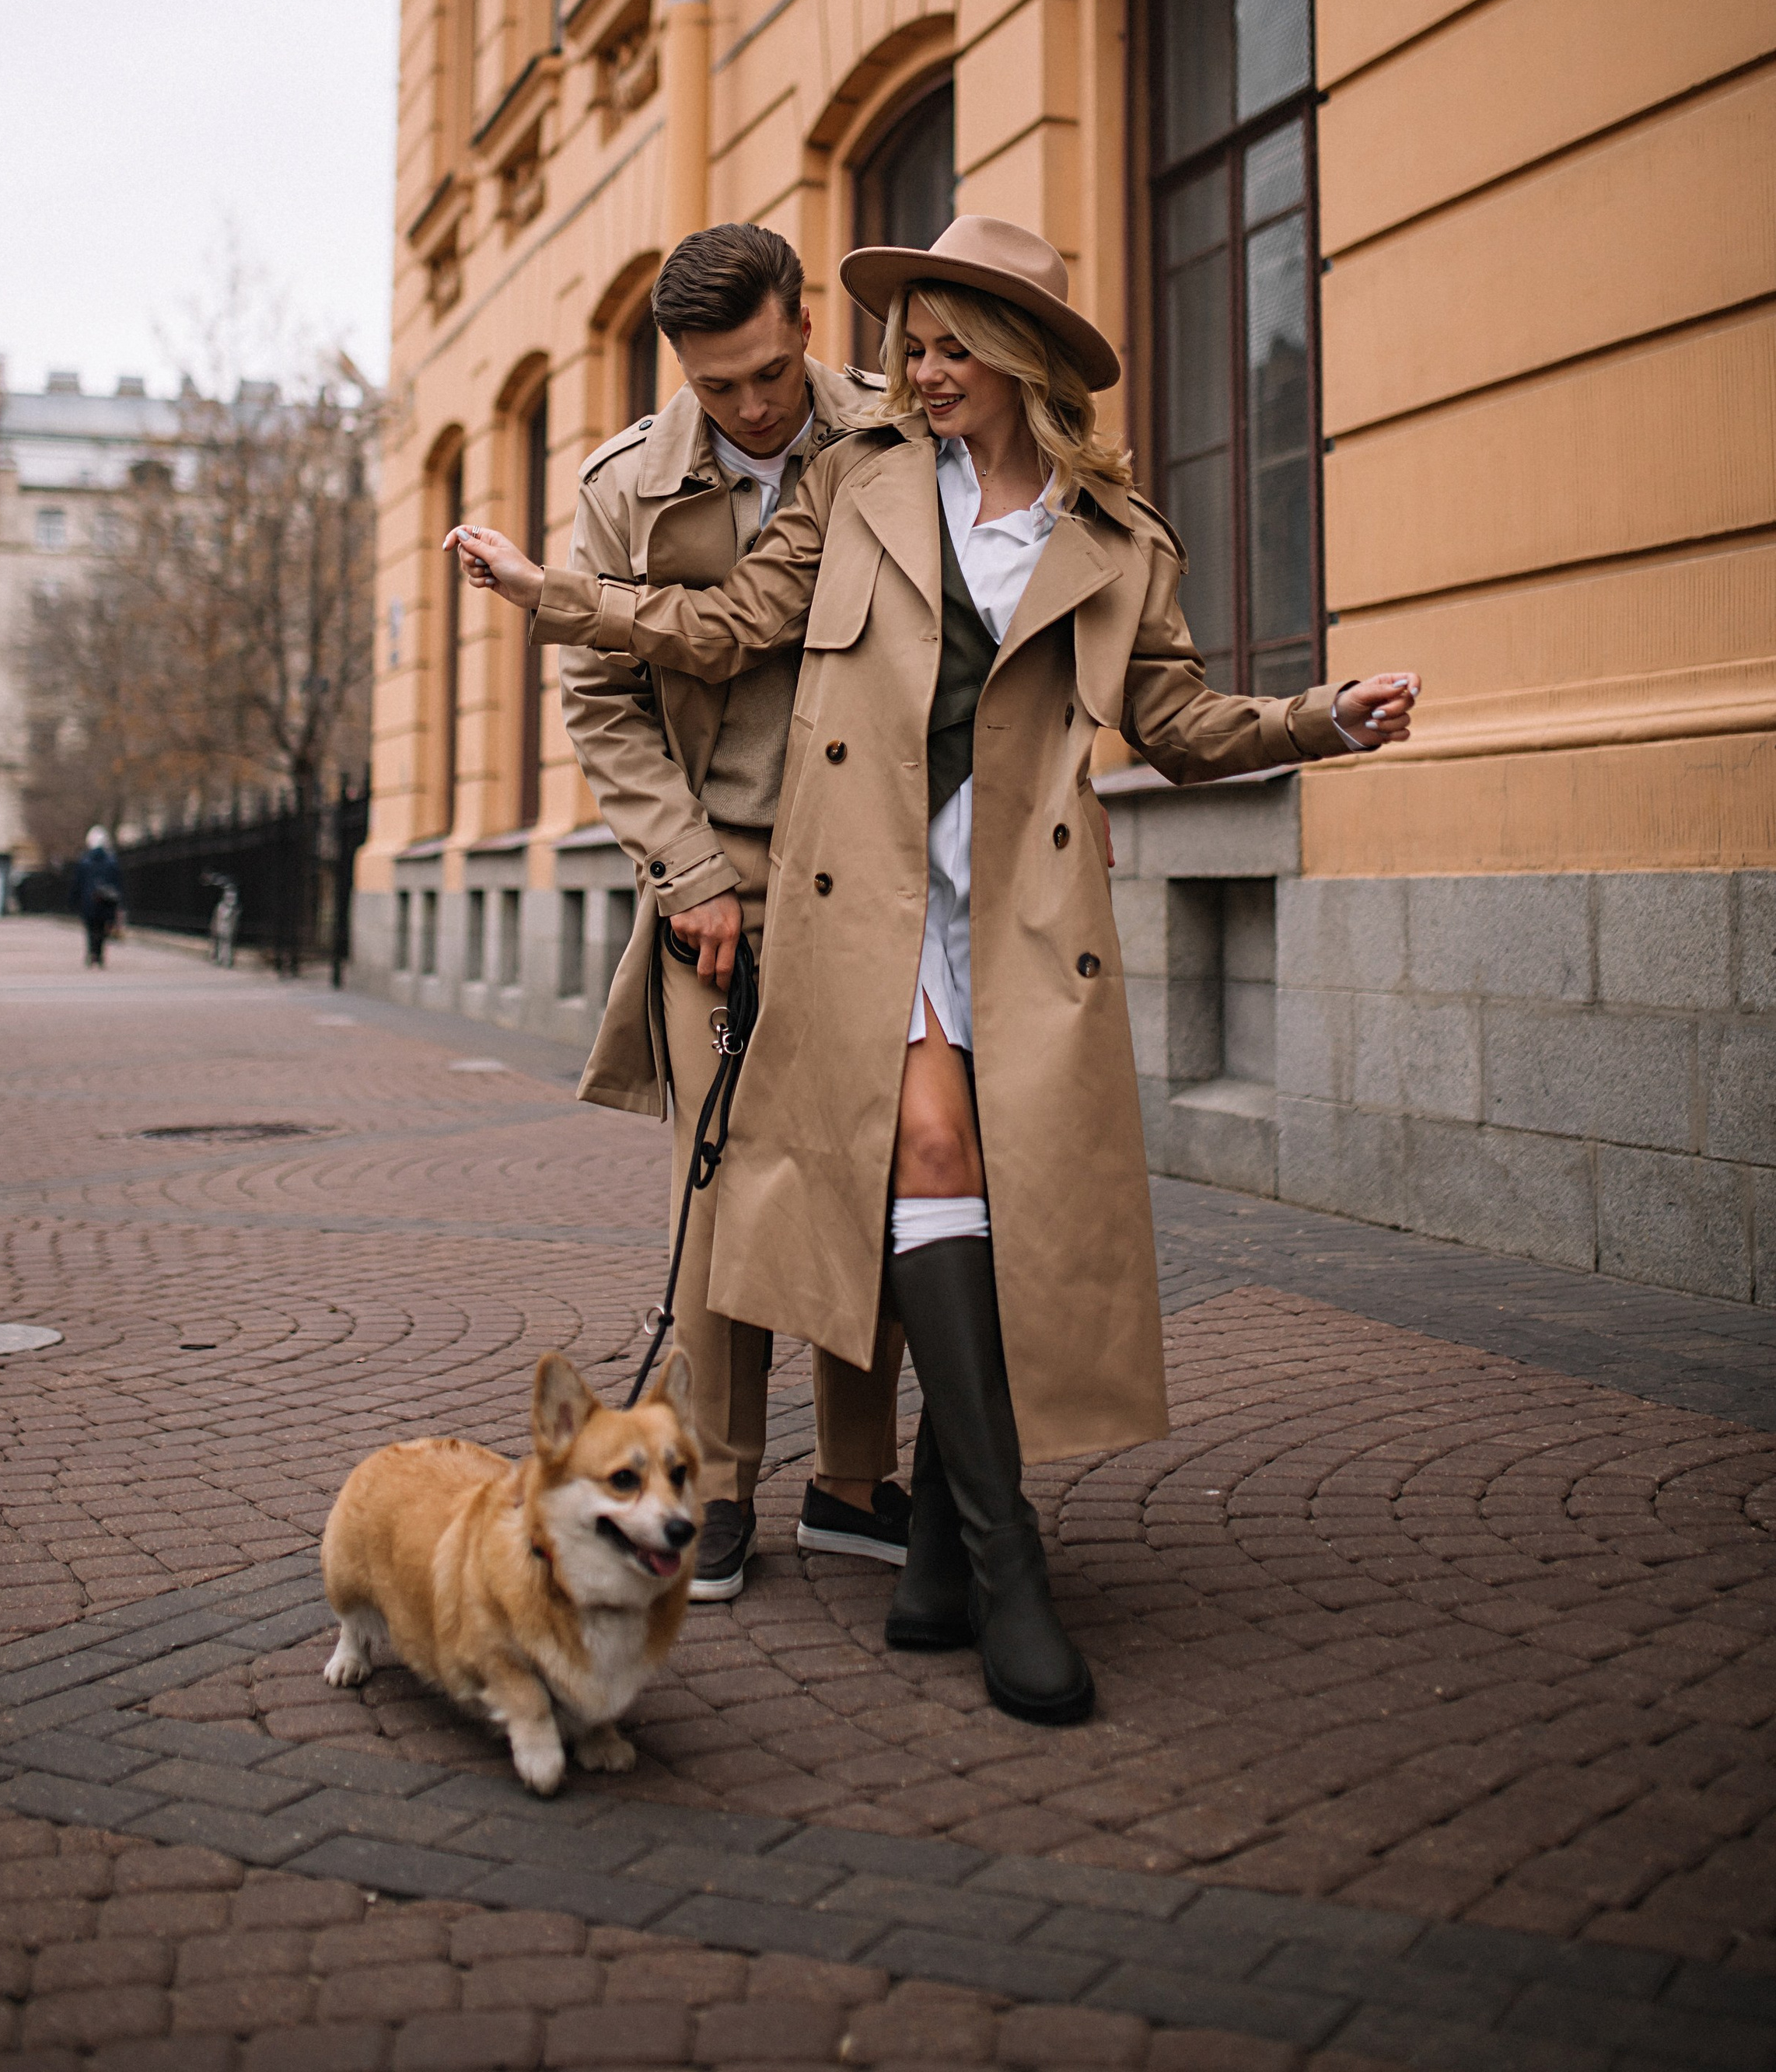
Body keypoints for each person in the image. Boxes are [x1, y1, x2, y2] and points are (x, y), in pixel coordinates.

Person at [453, 216, 1420, 1725]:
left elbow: (1173, 721)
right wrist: (541, 593)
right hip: (857, 895)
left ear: (1018, 358)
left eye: (951, 347)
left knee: (995, 1203)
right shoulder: (863, 480)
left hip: (1014, 911)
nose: (920, 371)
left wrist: (1320, 719)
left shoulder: (1119, 537)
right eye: (911, 348)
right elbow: (721, 629)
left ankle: (926, 1556)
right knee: (904, 1154)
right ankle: (993, 1548)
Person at [552, 222, 908, 1604]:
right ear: (680, 370)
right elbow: (603, 704)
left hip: (874, 860)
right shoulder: (623, 491)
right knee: (723, 1187)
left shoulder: (889, 437)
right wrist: (690, 872)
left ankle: (858, 1485)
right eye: (718, 386)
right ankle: (715, 1490)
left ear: (804, 324)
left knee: (866, 1170)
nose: (752, 406)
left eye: (768, 372)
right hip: (724, 872)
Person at [69, 830, 124, 967]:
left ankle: (92, 952)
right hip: (107, 900)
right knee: (103, 927)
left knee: (91, 928)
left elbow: (78, 883)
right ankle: (99, 954)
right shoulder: (111, 861)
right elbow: (118, 883)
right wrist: (120, 901)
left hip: (89, 899)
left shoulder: (84, 861)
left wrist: (73, 900)